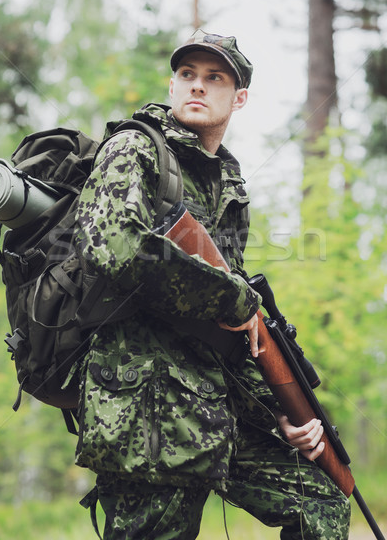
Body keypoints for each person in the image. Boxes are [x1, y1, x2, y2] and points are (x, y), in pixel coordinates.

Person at [74, 30, 351, 539]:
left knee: (323, 502)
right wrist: (231, 294)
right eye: (187, 75)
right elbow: (112, 245)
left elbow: (230, 333)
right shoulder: (135, 147)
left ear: (238, 98)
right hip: (147, 415)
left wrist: (278, 418)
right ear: (173, 84)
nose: (197, 86)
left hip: (215, 411)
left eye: (214, 77)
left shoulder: (227, 183)